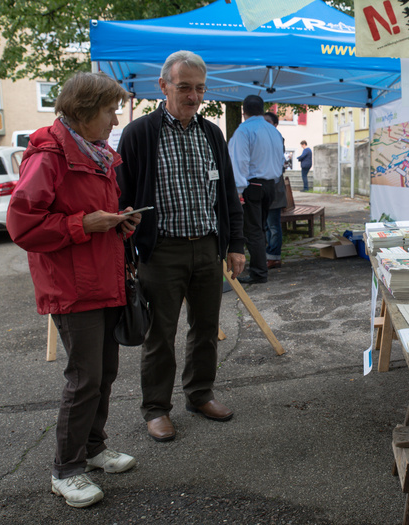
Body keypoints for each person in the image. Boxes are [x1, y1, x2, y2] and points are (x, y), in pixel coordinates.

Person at [7, 72, 139, 508]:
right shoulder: (49, 156)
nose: (115, 119)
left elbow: (90, 213)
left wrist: (120, 222)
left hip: (103, 278)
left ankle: (95, 448)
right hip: (72, 287)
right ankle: (66, 470)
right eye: (109, 110)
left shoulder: (97, 153)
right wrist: (84, 224)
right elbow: (22, 225)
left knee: (104, 373)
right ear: (84, 112)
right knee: (84, 380)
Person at [116, 50, 246, 443]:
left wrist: (235, 244)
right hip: (162, 251)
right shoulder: (139, 133)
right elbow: (122, 198)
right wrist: (129, 254)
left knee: (206, 328)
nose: (193, 96)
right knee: (160, 334)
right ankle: (156, 409)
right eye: (184, 87)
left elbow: (227, 193)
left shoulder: (212, 133)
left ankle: (200, 394)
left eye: (200, 89)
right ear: (164, 86)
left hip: (207, 247)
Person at [228, 95, 284, 285]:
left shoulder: (244, 130)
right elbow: (280, 160)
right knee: (261, 227)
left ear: (244, 112)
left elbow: (239, 162)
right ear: (263, 110)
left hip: (253, 185)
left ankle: (259, 272)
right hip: (270, 184)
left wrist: (238, 190)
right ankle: (259, 269)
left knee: (253, 230)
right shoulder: (273, 130)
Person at [263, 111, 288, 269]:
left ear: (275, 124)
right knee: (267, 225)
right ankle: (270, 255)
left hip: (274, 191)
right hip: (265, 190)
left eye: (268, 122)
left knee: (273, 226)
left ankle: (274, 256)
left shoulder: (276, 139)